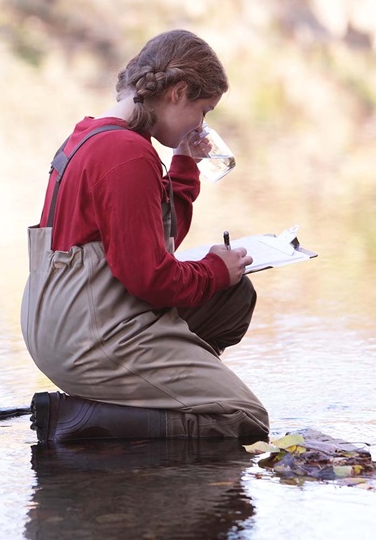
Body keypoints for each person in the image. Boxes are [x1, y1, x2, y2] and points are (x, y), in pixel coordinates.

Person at [21, 29, 269, 443]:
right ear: (179, 92)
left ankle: (161, 391)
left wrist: (185, 163)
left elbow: (150, 236)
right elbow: (151, 280)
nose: (202, 124)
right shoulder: (127, 155)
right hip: (87, 337)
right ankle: (76, 419)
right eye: (203, 110)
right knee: (245, 418)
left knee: (233, 296)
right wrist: (213, 269)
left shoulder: (96, 135)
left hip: (63, 321)